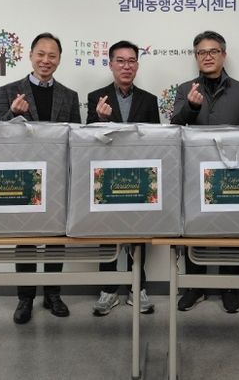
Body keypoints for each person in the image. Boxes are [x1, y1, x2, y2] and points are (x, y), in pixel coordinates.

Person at [0, 32, 81, 324]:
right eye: (41, 54)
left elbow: (75, 137)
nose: (46, 60)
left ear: (59, 59)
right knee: (26, 238)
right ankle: (25, 298)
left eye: (52, 55)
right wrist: (12, 114)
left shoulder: (69, 96)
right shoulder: (9, 90)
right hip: (23, 175)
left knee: (56, 237)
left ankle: (53, 294)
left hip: (57, 175)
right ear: (30, 56)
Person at [171, 30, 239, 314]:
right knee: (194, 229)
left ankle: (230, 288)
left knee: (232, 230)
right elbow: (175, 126)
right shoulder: (186, 89)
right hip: (194, 172)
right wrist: (191, 107)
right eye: (201, 52)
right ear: (196, 57)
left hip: (232, 171)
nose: (207, 57)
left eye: (213, 51)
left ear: (223, 55)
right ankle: (194, 287)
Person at [87, 40, 161, 316]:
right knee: (105, 232)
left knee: (139, 232)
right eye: (120, 61)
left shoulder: (149, 100)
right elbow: (88, 140)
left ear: (137, 66)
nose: (126, 66)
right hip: (106, 177)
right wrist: (99, 119)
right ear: (111, 64)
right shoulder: (96, 97)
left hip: (140, 176)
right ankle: (107, 290)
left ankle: (137, 287)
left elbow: (155, 141)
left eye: (131, 61)